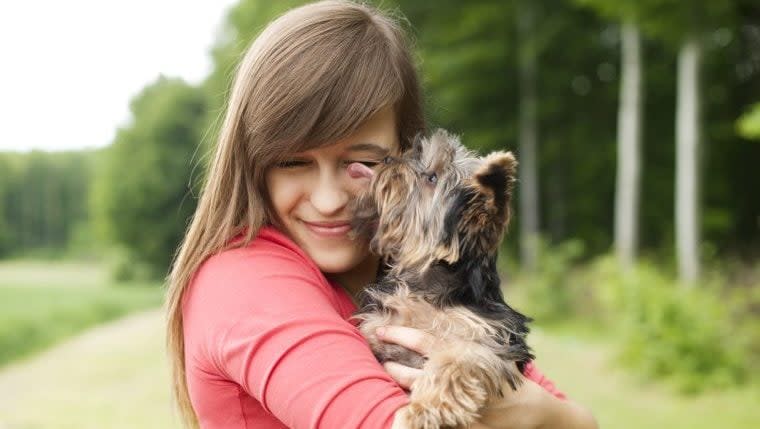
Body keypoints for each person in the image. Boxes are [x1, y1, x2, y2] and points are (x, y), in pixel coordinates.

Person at [165, 1, 598, 428]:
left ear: (405, 158)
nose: (329, 199)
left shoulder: (414, 283)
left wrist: (544, 413)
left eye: (362, 165)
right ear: (252, 164)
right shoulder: (243, 283)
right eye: (293, 163)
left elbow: (579, 421)